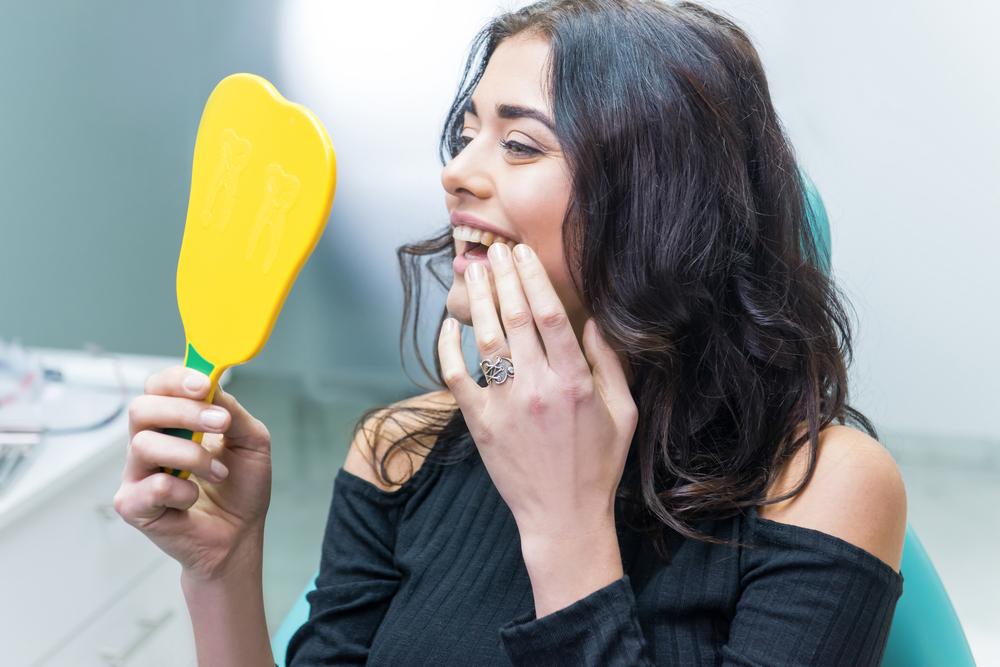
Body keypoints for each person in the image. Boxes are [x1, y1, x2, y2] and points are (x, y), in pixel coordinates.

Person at [113, 1, 908, 665]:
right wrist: (222, 569)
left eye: (521, 143)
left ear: (664, 206)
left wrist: (565, 526)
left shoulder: (819, 487)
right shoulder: (402, 450)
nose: (455, 171)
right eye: (467, 132)